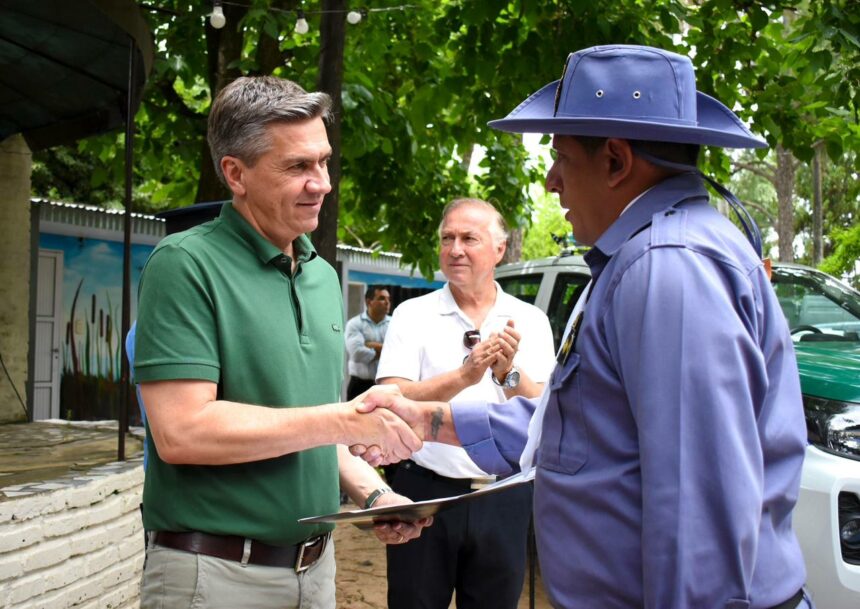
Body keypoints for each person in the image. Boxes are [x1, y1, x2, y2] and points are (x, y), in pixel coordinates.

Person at [356, 45, 813, 609]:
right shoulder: (645, 259)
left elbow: (697, 514)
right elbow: (581, 425)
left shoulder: (668, 268)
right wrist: (428, 419)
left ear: (617, 161)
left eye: (561, 158)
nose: (551, 182)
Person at [133, 75, 430, 609]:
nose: (322, 183)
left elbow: (304, 429)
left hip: (315, 570)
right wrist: (342, 418)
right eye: (297, 166)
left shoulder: (318, 274)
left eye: (323, 161)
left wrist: (376, 495)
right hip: (215, 574)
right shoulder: (185, 264)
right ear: (235, 173)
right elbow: (182, 431)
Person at [376, 198, 556, 609]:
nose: (454, 248)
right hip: (424, 494)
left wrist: (507, 373)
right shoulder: (412, 314)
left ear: (499, 248)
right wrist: (463, 377)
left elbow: (542, 411)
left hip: (504, 495)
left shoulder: (529, 319)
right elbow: (390, 398)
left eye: (468, 238)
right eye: (447, 238)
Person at [345, 285, 392, 400]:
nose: (387, 302)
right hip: (359, 386)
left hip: (386, 386)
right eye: (382, 298)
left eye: (388, 299)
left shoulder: (394, 323)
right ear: (369, 302)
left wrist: (370, 345)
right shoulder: (355, 324)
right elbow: (356, 353)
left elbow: (399, 352)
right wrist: (385, 351)